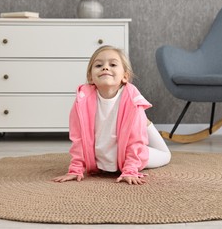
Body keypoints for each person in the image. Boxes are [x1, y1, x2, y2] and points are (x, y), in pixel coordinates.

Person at [53, 45, 171, 185]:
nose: (105, 68)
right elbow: (78, 139)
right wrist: (75, 169)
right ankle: (143, 121)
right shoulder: (82, 102)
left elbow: (135, 141)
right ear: (90, 77)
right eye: (98, 65)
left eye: (113, 64)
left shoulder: (132, 101)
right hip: (104, 159)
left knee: (166, 155)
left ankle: (144, 122)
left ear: (125, 76)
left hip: (130, 153)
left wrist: (130, 169)